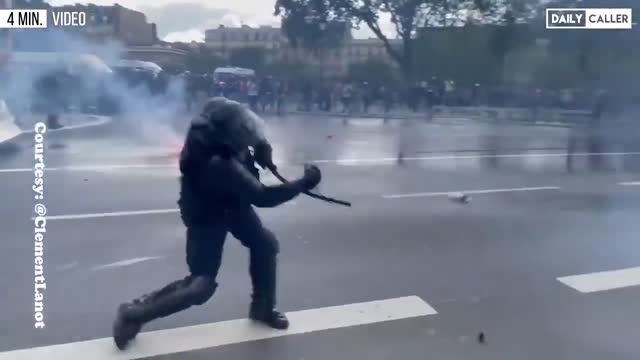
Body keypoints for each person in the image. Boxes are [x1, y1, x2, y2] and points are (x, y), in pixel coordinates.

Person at [112, 97, 322, 350]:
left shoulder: (216, 121)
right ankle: (134, 312)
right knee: (200, 286)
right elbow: (262, 197)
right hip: (207, 216)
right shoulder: (219, 163)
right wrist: (303, 183)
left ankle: (263, 308)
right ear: (229, 138)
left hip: (232, 204)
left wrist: (261, 144)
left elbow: (236, 119)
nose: (247, 137)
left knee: (265, 245)